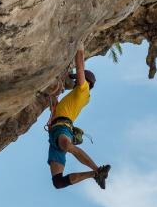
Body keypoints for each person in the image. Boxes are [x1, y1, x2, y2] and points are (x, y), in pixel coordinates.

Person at [47, 47, 110, 190]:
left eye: (77, 80)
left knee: (68, 146)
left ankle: (98, 170)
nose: (75, 82)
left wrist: (79, 48)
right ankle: (95, 174)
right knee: (58, 182)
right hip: (55, 133)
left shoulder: (83, 90)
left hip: (63, 127)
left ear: (86, 82)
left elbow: (80, 68)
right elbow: (55, 108)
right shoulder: (77, 96)